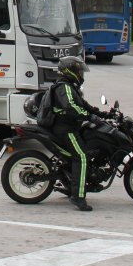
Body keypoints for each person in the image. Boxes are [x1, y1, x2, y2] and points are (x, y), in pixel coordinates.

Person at [50, 55, 110, 211]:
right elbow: (71, 107)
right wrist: (90, 117)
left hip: (69, 126)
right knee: (82, 156)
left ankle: (72, 183)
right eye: (79, 71)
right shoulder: (64, 87)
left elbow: (83, 105)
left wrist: (102, 114)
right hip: (64, 128)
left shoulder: (71, 87)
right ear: (70, 71)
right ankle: (77, 196)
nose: (81, 75)